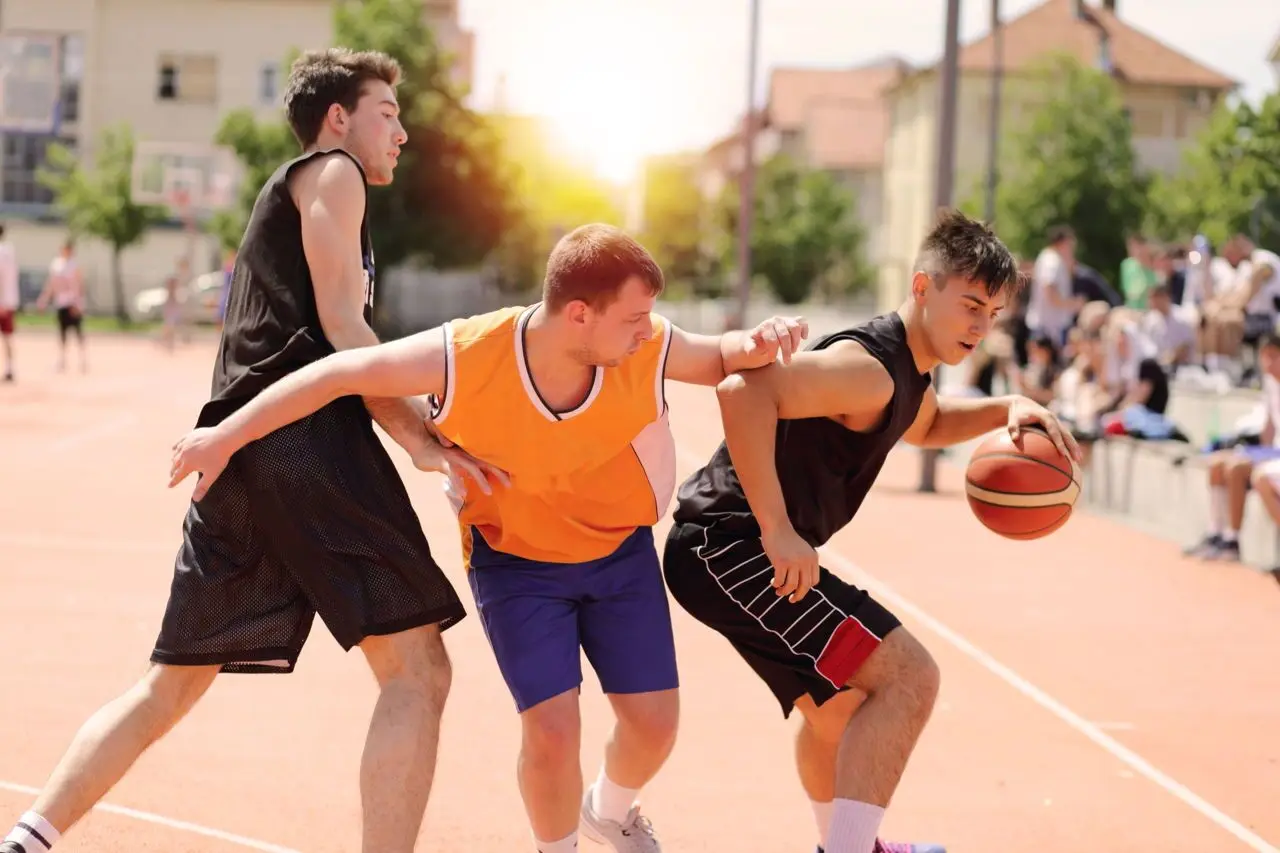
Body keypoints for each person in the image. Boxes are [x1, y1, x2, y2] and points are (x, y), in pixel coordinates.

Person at [165, 222, 807, 853]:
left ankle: (609, 811)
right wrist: (224, 436)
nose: (648, 330)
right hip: (516, 563)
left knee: (655, 726)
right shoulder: (467, 356)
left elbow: (722, 355)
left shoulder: (648, 345)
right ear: (580, 314)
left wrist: (760, 340)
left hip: (618, 554)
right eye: (634, 317)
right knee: (553, 732)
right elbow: (338, 374)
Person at [0, 48, 498, 853]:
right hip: (304, 442)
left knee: (169, 684)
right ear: (338, 118)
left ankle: (30, 835)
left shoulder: (301, 192)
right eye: (388, 112)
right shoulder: (332, 171)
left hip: (238, 447)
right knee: (419, 671)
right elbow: (345, 333)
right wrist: (420, 435)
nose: (402, 132)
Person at [661, 210, 1081, 853]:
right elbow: (743, 390)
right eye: (970, 303)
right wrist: (777, 529)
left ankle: (846, 843)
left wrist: (1008, 406)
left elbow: (930, 427)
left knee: (838, 715)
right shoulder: (871, 368)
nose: (980, 324)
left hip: (725, 551)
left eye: (992, 313)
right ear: (921, 288)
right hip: (732, 547)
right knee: (911, 677)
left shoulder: (909, 372)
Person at [34, 239, 86, 373]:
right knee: (62, 333)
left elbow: (80, 285)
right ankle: (62, 359)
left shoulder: (75, 265)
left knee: (78, 332)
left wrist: (78, 303)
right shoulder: (56, 265)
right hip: (61, 303)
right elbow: (51, 284)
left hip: (73, 302)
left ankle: (82, 359)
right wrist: (44, 299)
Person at [0, 223, 17, 382]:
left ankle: (9, 368)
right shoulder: (9, 251)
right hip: (9, 301)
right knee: (7, 336)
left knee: (7, 336)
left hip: (2, 301)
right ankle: (10, 367)